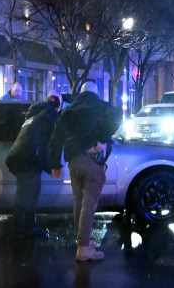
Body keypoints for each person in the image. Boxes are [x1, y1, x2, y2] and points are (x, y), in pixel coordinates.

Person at [50, 82, 122, 261]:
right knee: (89, 204)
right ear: (95, 93)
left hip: (73, 161)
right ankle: (83, 248)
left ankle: (82, 242)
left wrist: (55, 165)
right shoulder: (101, 107)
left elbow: (56, 139)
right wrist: (102, 139)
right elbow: (116, 117)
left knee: (79, 202)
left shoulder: (68, 111)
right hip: (92, 161)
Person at [5, 90, 63, 239]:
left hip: (16, 157)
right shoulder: (50, 117)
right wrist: (52, 168)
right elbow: (45, 147)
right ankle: (24, 229)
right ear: (57, 106)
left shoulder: (34, 115)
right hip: (26, 159)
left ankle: (21, 228)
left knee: (25, 193)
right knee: (30, 193)